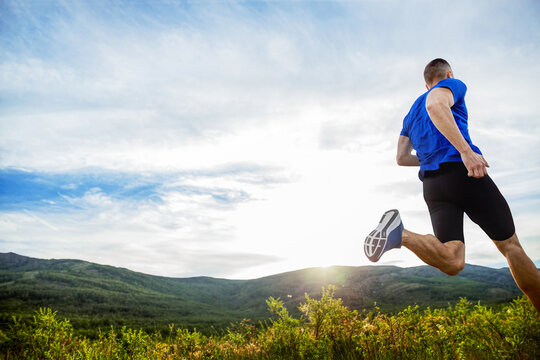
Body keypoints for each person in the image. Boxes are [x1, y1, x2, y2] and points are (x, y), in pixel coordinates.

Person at [364, 58, 540, 313]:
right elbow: (436, 104)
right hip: (463, 173)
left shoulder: (411, 114)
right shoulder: (451, 86)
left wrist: (429, 158)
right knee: (511, 247)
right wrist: (466, 152)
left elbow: (401, 158)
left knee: (453, 260)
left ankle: (400, 234)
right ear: (447, 74)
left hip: (434, 187)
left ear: (426, 84)